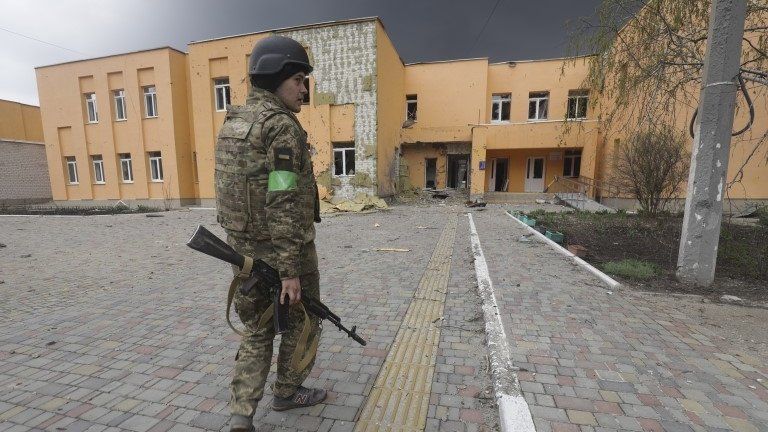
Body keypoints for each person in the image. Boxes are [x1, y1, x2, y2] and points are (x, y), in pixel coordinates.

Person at [214, 35, 325, 432]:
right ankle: (287, 392)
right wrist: (291, 269)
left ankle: (241, 413)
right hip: (284, 252)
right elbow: (283, 200)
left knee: (257, 330)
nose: (303, 88)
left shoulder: (236, 121)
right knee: (303, 320)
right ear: (276, 76)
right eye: (298, 79)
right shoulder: (280, 127)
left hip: (242, 255)